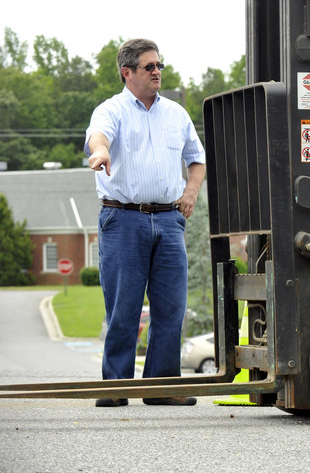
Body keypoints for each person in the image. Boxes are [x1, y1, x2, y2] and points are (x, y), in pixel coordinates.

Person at [85, 39, 206, 407]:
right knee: (123, 307)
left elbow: (196, 160)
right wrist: (102, 151)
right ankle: (116, 388)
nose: (157, 72)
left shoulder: (176, 114)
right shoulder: (111, 110)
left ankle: (161, 387)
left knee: (171, 308)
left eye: (159, 65)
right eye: (149, 66)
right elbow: (98, 138)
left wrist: (190, 192)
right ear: (128, 72)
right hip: (123, 220)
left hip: (169, 221)